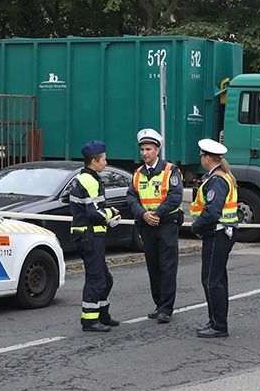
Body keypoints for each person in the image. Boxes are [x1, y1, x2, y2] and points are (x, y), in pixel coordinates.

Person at [127, 128, 183, 323]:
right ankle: (159, 304)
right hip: (147, 225)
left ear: (157, 150)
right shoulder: (137, 173)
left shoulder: (170, 170)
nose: (144, 153)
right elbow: (131, 197)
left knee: (168, 266)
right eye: (142, 149)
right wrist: (143, 214)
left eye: (148, 149)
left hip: (166, 224)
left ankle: (166, 308)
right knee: (153, 266)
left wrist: (156, 214)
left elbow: (175, 197)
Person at [68, 140, 122, 332]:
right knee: (97, 279)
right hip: (89, 236)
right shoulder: (89, 180)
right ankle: (90, 320)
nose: (106, 163)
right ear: (94, 161)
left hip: (89, 235)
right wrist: (110, 215)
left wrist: (108, 212)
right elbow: (93, 213)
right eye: (104, 160)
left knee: (105, 279)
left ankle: (102, 315)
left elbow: (94, 207)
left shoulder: (87, 177)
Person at [189, 138, 238, 339]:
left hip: (217, 233)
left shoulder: (216, 181)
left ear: (207, 158)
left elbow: (211, 212)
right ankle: (216, 321)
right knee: (217, 279)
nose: (201, 158)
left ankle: (218, 325)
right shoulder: (221, 177)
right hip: (221, 233)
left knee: (211, 281)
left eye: (202, 155)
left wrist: (196, 227)